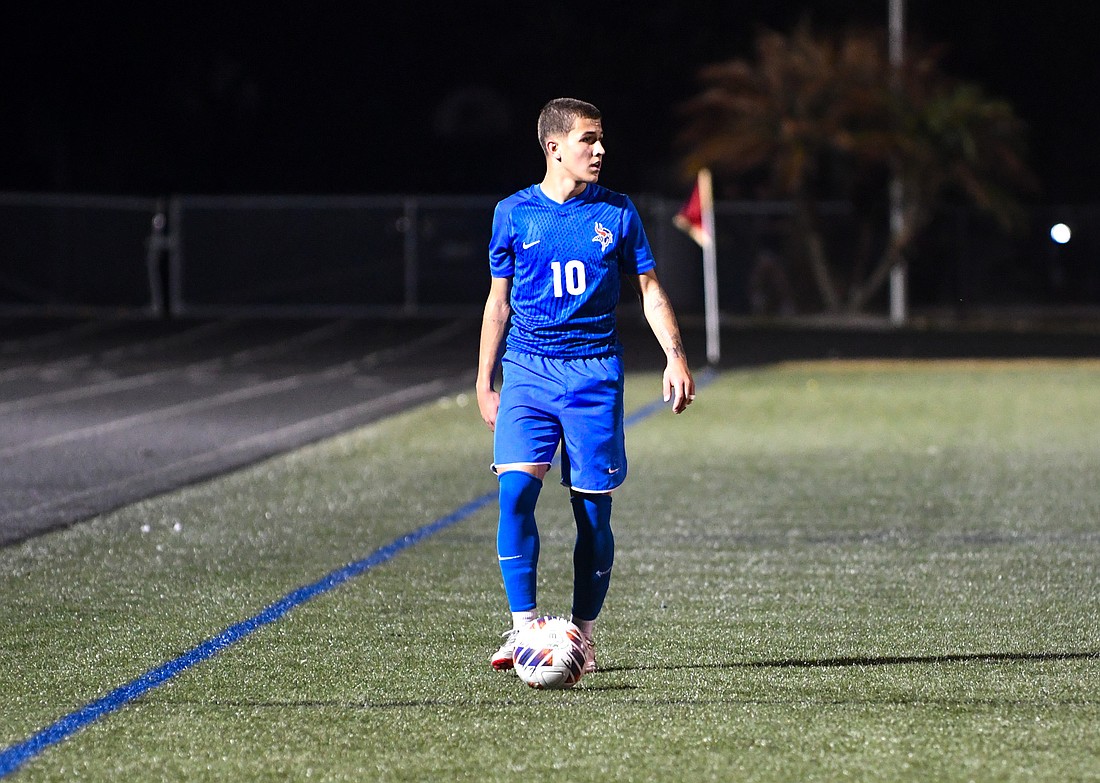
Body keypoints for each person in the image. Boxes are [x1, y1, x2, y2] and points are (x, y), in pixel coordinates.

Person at [476, 97, 695, 675]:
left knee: (593, 515)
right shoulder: (513, 213)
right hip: (528, 370)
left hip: (594, 374)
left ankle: (584, 635)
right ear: (554, 147)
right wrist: (484, 380)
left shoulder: (617, 212)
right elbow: (498, 304)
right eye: (588, 140)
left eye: (600, 140)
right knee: (515, 494)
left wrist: (675, 359)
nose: (600, 150)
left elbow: (650, 291)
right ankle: (525, 628)